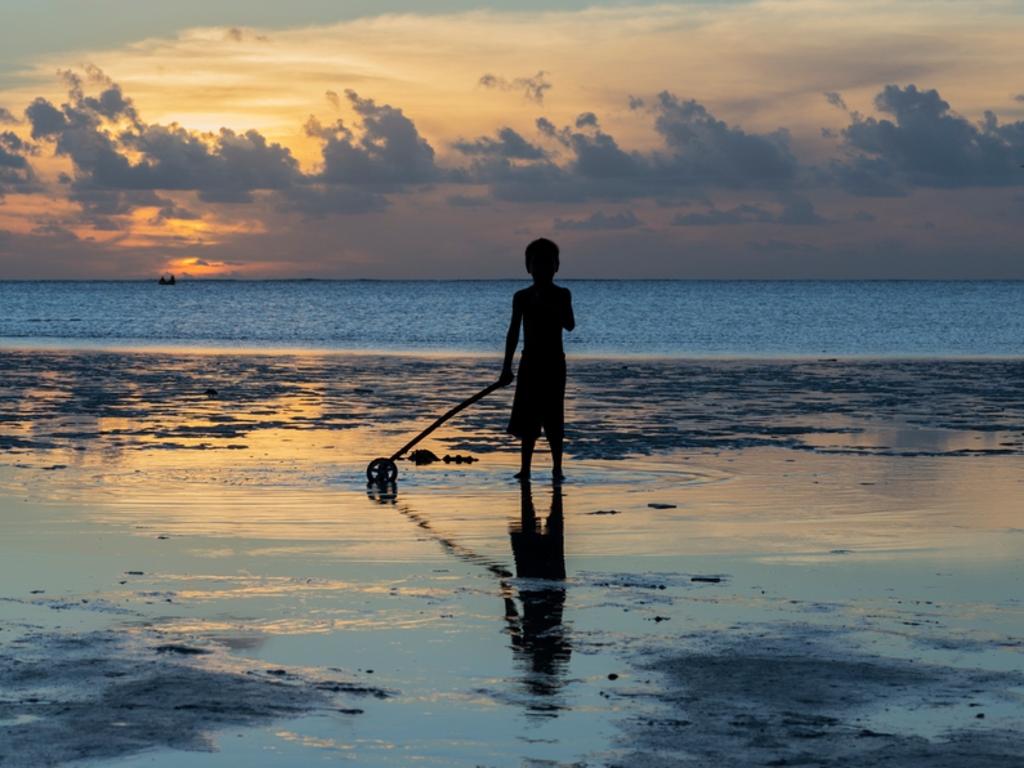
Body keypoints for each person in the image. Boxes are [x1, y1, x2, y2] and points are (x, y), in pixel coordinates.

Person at [499, 238, 575, 482]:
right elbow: (513, 333)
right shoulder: (522, 297)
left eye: (548, 264)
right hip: (529, 363)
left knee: (554, 417)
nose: (543, 269)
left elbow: (570, 325)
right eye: (537, 264)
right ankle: (525, 469)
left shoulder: (562, 294)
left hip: (553, 364)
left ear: (557, 267)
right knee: (527, 419)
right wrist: (506, 368)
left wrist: (551, 305)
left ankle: (557, 468)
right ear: (528, 267)